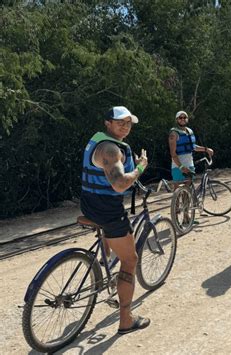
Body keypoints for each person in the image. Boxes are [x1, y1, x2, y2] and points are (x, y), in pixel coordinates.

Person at [80, 106, 150, 334]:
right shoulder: (110, 149)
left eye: (129, 122)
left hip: (90, 203)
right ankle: (126, 319)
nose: (125, 125)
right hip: (107, 210)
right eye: (120, 121)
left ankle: (105, 265)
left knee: (114, 240)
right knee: (130, 260)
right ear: (107, 123)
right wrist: (140, 167)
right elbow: (120, 184)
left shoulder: (101, 142)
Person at [168, 110, 214, 190]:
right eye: (180, 117)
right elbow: (173, 153)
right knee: (177, 189)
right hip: (177, 165)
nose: (182, 119)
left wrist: (206, 149)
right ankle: (177, 202)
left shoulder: (189, 131)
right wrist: (181, 167)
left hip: (189, 163)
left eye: (184, 117)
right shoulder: (173, 134)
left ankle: (187, 202)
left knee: (188, 188)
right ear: (176, 120)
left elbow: (193, 147)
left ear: (187, 119)